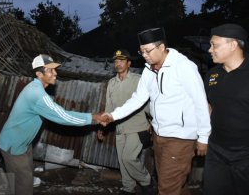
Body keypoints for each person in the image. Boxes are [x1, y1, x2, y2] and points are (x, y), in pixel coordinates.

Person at [102, 28, 211, 195]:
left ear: (161, 48)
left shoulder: (184, 67)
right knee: (175, 184)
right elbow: (138, 99)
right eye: (141, 51)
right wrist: (112, 115)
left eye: (148, 50)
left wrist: (203, 136)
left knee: (166, 188)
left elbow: (200, 102)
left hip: (180, 138)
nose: (144, 55)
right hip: (159, 136)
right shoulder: (149, 70)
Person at [0, 54, 105, 195]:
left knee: (23, 180)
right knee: (23, 187)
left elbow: (55, 112)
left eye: (54, 70)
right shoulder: (37, 94)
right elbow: (63, 116)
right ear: (39, 74)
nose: (55, 73)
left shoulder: (36, 88)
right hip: (14, 146)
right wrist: (93, 117)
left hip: (23, 143)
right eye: (50, 70)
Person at [203, 23, 249, 195]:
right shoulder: (212, 75)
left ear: (233, 45)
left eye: (214, 45)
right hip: (216, 151)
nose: (210, 49)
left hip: (245, 154)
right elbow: (209, 107)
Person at [99, 49, 152, 195]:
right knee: (122, 162)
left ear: (129, 63)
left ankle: (146, 181)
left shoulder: (138, 80)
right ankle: (128, 189)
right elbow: (109, 107)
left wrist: (154, 123)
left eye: (121, 61)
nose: (118, 64)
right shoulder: (111, 82)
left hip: (137, 126)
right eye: (116, 61)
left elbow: (147, 103)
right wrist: (102, 127)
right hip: (120, 128)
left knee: (128, 158)